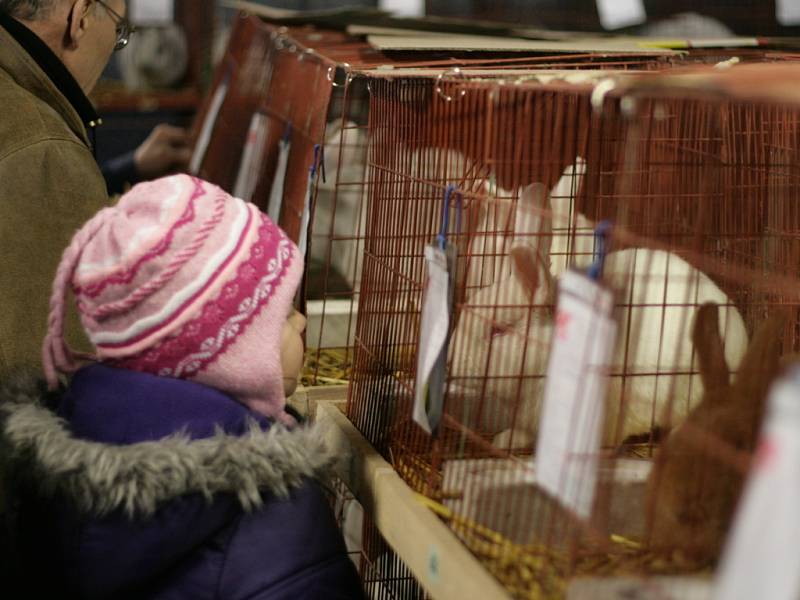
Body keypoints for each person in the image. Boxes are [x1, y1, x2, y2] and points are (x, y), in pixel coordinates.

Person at [0, 174, 365, 599]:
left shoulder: (50, 470)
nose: (301, 323)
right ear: (223, 353)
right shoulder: (272, 505)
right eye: (282, 315)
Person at [0, 0, 190, 375]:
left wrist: (127, 167)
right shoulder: (46, 152)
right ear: (80, 16)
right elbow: (55, 381)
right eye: (120, 33)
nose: (113, 47)